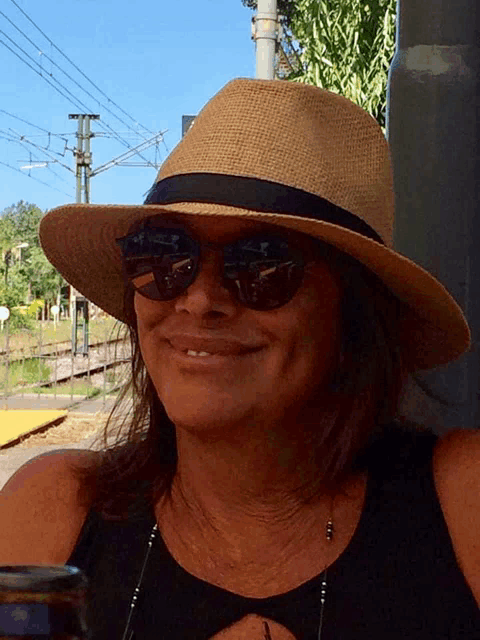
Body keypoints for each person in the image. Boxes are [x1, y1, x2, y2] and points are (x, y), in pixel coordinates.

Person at [1, 78, 479, 639]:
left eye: (262, 264)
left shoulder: (460, 502)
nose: (200, 300)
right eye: (165, 255)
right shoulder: (51, 512)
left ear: (352, 316)